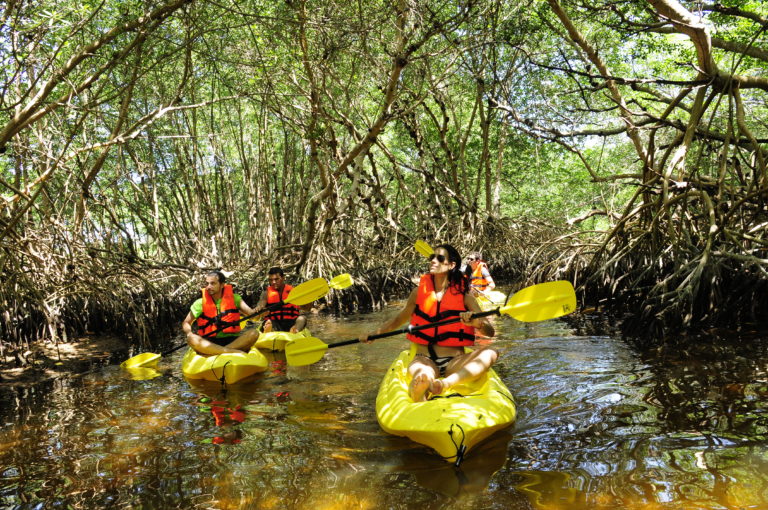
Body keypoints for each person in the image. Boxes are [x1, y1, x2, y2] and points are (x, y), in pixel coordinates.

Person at [359, 244, 496, 402]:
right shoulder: (418, 293)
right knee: (423, 372)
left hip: (454, 362)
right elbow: (399, 319)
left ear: (452, 265)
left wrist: (477, 323)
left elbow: (490, 332)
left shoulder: (466, 297)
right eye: (432, 258)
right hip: (424, 358)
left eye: (440, 258)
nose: (433, 261)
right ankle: (421, 389)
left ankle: (444, 384)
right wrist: (374, 335)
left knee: (491, 353)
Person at [182, 271, 260, 355]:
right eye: (207, 283)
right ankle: (232, 352)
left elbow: (252, 315)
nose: (208, 287)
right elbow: (186, 322)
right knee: (191, 338)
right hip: (209, 342)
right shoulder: (199, 303)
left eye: (213, 283)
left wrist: (258, 311)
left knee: (254, 333)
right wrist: (189, 333)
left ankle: (219, 351)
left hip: (232, 340)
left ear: (222, 285)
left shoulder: (235, 299)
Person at [254, 267, 309, 333]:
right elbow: (261, 303)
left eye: (276, 279)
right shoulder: (266, 293)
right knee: (269, 322)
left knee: (302, 318)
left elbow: (307, 308)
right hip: (274, 322)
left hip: (291, 322)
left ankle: (295, 330)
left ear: (283, 278)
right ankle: (269, 329)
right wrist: (259, 308)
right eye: (271, 280)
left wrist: (309, 300)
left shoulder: (293, 292)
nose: (273, 282)